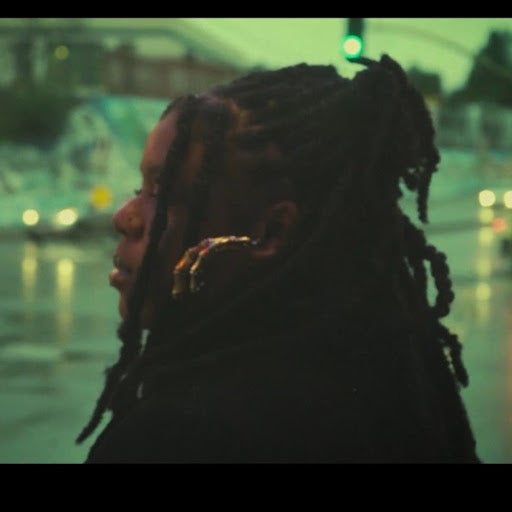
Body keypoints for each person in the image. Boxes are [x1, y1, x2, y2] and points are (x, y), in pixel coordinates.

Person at [76, 54, 481, 463]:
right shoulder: (390, 390)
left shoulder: (175, 438)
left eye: (163, 194)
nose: (123, 217)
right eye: (139, 188)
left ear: (270, 233)